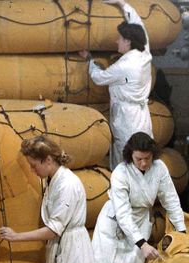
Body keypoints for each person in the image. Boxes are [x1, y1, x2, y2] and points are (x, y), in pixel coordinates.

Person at [0, 135, 94, 263]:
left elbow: (53, 229)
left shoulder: (66, 185)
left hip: (73, 248)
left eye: (34, 166)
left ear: (48, 160)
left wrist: (16, 237)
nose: (32, 170)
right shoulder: (52, 182)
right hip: (62, 246)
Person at [92, 131, 186, 263]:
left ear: (153, 154)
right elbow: (123, 214)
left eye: (147, 158)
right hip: (115, 223)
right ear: (130, 155)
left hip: (140, 220)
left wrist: (181, 231)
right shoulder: (121, 173)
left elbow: (171, 200)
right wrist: (142, 244)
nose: (143, 163)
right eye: (139, 159)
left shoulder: (159, 168)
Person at [80, 0, 153, 168]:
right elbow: (138, 25)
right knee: (143, 160)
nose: (116, 41)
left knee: (126, 162)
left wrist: (90, 60)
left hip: (127, 119)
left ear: (128, 41)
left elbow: (100, 77)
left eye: (120, 38)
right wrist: (123, 4)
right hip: (141, 117)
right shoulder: (144, 53)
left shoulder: (124, 66)